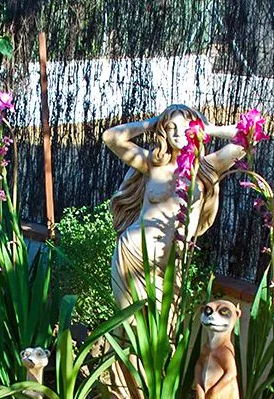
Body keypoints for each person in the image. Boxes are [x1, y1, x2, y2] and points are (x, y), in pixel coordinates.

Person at [103, 104, 246, 308]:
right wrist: (152, 123)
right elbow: (111, 137)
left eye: (186, 126)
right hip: (133, 253)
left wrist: (207, 128)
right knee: (128, 329)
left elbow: (249, 137)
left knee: (167, 330)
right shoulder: (152, 164)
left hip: (173, 262)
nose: (179, 133)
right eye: (171, 127)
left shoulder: (207, 167)